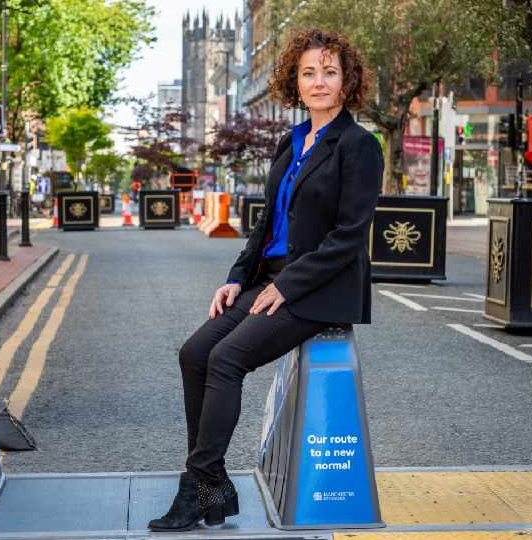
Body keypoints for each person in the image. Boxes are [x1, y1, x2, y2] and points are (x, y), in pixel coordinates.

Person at [148, 28, 384, 532]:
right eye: (308, 73)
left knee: (227, 358)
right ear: (293, 82)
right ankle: (211, 482)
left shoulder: (359, 146)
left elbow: (349, 236)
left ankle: (199, 487)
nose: (318, 81)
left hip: (317, 288)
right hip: (269, 278)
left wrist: (288, 285)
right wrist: (237, 277)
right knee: (194, 353)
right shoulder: (292, 140)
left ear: (347, 82)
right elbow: (266, 224)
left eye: (329, 72)